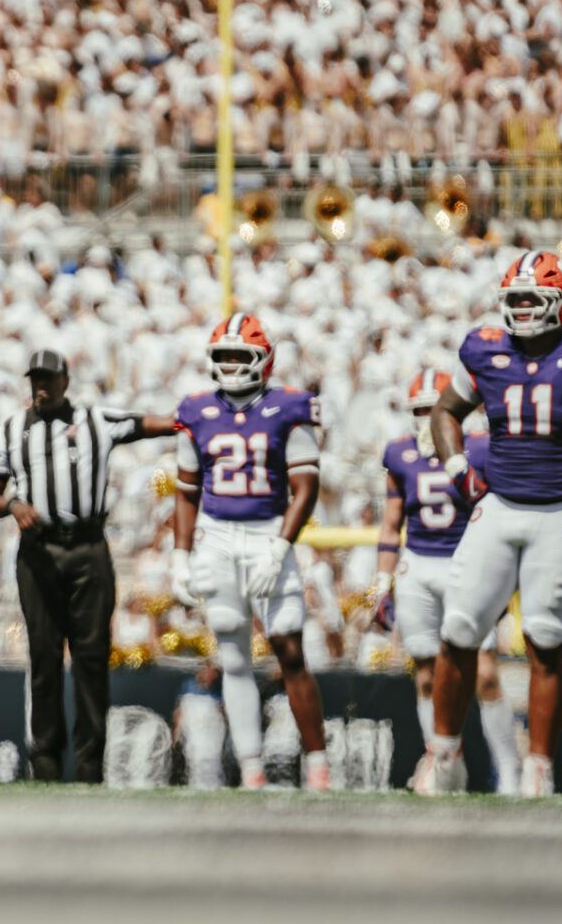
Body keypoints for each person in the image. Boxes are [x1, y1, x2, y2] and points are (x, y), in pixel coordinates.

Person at [416, 253, 562, 797]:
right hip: (498, 505)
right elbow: (445, 411)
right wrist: (458, 468)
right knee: (458, 628)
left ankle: (538, 768)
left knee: (547, 638)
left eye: (534, 298)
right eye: (516, 298)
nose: (523, 308)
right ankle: (444, 757)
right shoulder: (485, 347)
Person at [0, 349, 176, 783]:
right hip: (39, 551)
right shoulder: (12, 430)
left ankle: (90, 766)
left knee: (91, 659)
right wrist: (13, 506)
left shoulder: (95, 420)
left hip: (88, 548)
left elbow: (149, 424)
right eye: (35, 379)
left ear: (66, 381)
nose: (41, 387)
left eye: (48, 378)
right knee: (44, 656)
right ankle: (46, 764)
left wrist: (194, 418)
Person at [170, 313, 329, 791]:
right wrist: (179, 556)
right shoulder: (196, 410)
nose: (232, 364)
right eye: (224, 355)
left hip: (267, 532)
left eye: (241, 355)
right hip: (217, 535)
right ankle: (251, 769)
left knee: (289, 647)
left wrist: (279, 549)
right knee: (232, 654)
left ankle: (317, 767)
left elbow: (306, 487)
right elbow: (186, 491)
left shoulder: (289, 407)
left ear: (265, 359)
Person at [372, 371, 519, 793]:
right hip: (418, 566)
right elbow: (391, 524)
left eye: (433, 408)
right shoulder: (399, 453)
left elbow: (500, 514)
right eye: (419, 410)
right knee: (426, 674)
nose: (426, 417)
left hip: (467, 563)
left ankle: (508, 769)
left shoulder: (481, 447)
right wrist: (381, 584)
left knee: (485, 674)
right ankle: (444, 766)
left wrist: (501, 577)